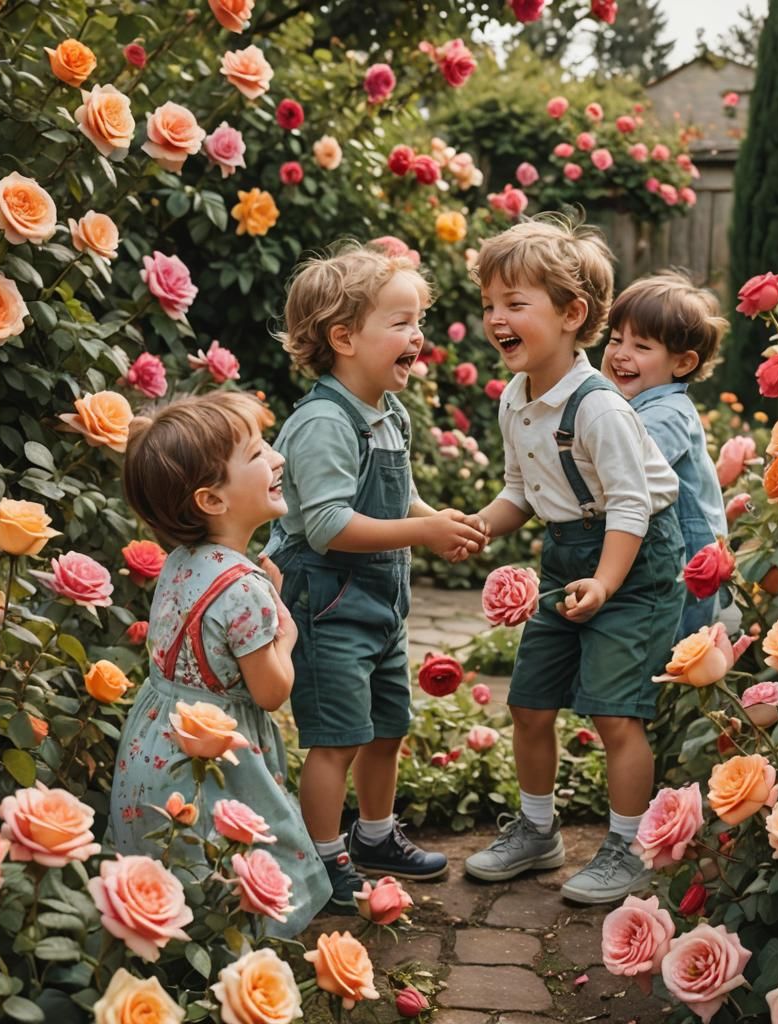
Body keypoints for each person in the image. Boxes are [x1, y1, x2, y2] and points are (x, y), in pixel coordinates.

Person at [462, 218, 685, 904]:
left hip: (634, 563)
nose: (497, 318)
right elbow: (522, 492)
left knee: (617, 714)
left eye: (515, 303)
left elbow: (629, 507)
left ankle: (627, 845)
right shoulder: (515, 398)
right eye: (490, 305)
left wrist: (608, 580)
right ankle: (536, 832)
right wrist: (477, 528)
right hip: (568, 559)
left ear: (572, 315)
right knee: (529, 704)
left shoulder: (600, 410)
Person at [265, 245, 487, 913]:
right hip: (327, 598)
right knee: (337, 736)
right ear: (342, 338)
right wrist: (421, 533)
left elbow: (403, 499)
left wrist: (435, 519)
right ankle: (324, 857)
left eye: (419, 320)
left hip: (382, 600)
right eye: (400, 322)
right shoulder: (323, 423)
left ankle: (375, 835)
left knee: (387, 724)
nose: (416, 335)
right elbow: (331, 524)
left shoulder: (390, 413)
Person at [109, 391, 331, 937]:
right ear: (211, 500)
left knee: (182, 859)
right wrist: (286, 627)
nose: (277, 458)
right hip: (213, 754)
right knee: (233, 856)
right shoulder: (246, 587)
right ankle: (233, 953)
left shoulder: (181, 562)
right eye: (257, 455)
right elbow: (271, 692)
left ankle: (181, 942)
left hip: (160, 740)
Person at [600, 270, 729, 636]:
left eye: (641, 347)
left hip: (687, 569)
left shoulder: (668, 413)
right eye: (614, 340)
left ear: (683, 363)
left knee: (666, 657)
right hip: (665, 563)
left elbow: (627, 468)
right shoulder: (635, 406)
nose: (621, 355)